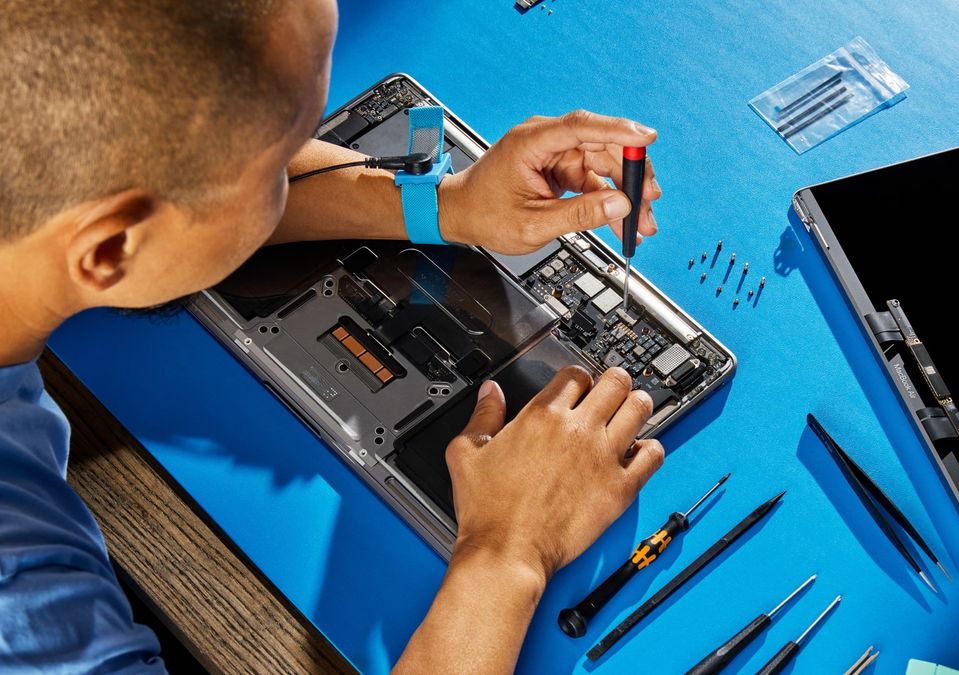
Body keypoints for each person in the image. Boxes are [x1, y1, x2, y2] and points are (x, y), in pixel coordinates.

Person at [0, 1, 666, 673]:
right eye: (276, 164)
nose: (303, 166)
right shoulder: (21, 590)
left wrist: (444, 202)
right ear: (111, 248)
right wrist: (508, 551)